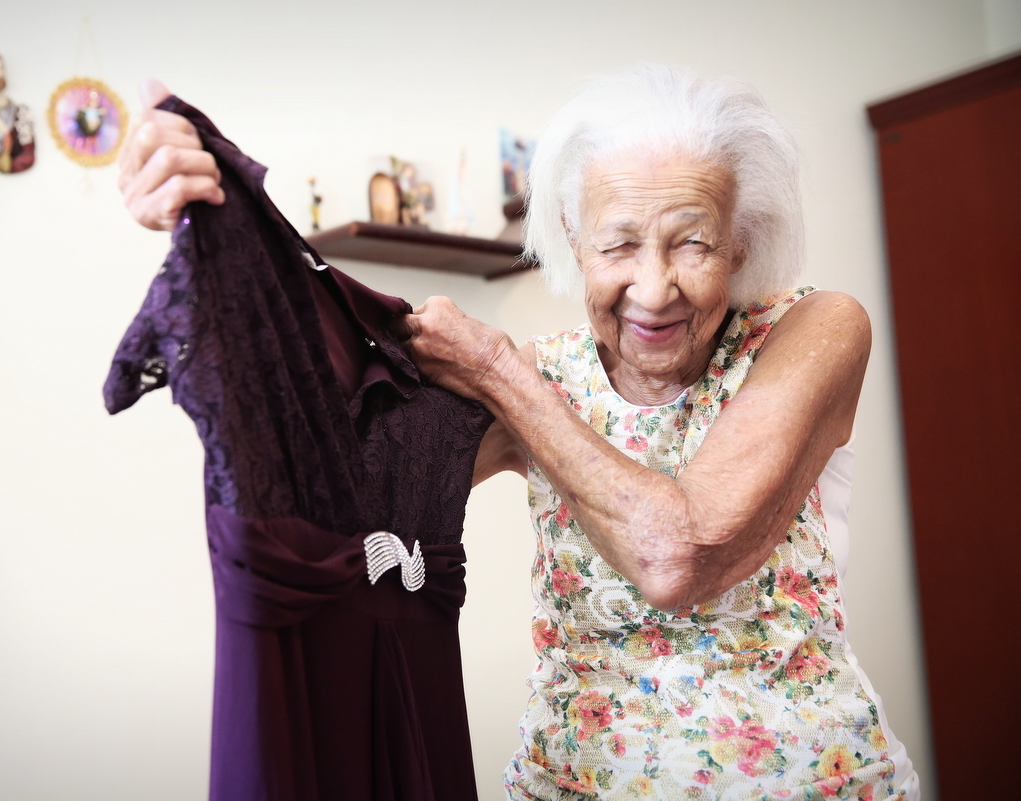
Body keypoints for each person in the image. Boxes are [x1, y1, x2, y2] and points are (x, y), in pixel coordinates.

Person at [119, 67, 918, 799]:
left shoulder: (812, 332)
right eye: (618, 243)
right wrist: (215, 228)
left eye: (693, 241)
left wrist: (502, 372)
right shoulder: (541, 377)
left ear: (739, 242)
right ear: (574, 242)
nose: (654, 285)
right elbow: (332, 460)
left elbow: (682, 553)